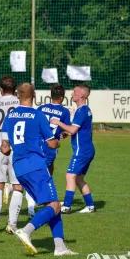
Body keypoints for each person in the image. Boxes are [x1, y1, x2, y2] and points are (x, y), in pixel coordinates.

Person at [1, 83, 77, 256]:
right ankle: (26, 231)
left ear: (18, 95)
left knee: (52, 204)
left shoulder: (10, 116)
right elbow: (51, 143)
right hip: (35, 165)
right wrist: (58, 140)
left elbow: (5, 147)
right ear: (34, 95)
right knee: (55, 204)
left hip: (19, 167)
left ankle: (60, 247)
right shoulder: (37, 115)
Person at [0, 75, 26, 233]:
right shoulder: (20, 104)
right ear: (15, 90)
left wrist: (2, 141)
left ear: (0, 89)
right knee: (17, 186)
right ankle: (12, 224)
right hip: (17, 150)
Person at [51, 84, 96, 214]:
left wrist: (58, 123)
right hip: (87, 149)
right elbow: (77, 130)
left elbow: (73, 129)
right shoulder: (85, 110)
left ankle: (66, 206)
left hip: (82, 150)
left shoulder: (81, 111)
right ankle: (90, 206)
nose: (72, 94)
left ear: (81, 95)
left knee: (70, 175)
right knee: (78, 179)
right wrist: (68, 132)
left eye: (75, 92)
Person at [37, 85, 71, 175]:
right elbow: (66, 129)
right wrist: (64, 133)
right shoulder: (65, 111)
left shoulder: (41, 108)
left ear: (51, 96)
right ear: (62, 98)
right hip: (51, 144)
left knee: (43, 167)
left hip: (38, 143)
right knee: (42, 173)